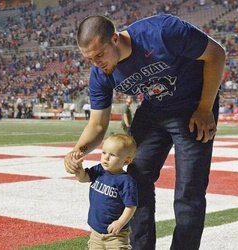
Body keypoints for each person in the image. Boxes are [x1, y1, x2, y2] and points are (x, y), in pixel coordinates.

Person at [64, 14, 225, 250]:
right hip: (154, 109)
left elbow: (216, 54)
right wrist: (78, 151)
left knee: (189, 191)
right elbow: (98, 124)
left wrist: (204, 108)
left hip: (194, 106)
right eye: (89, 59)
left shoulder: (162, 32)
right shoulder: (101, 73)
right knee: (136, 180)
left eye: (100, 54)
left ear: (115, 39)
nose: (97, 63)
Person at [72, 133, 138, 249]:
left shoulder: (126, 181)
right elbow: (84, 178)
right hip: (96, 230)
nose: (106, 157)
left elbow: (131, 206)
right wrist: (79, 169)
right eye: (104, 153)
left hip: (116, 234)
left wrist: (120, 222)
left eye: (112, 155)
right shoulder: (99, 170)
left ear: (126, 161)